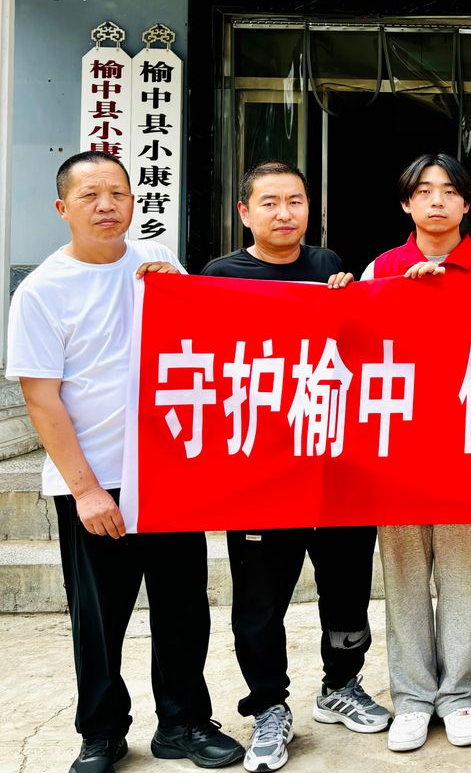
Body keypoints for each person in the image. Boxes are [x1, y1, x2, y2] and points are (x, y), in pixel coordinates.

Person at [6, 152, 245, 773]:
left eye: (117, 193)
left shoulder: (156, 263)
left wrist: (180, 290)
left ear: (135, 202)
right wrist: (86, 491)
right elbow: (41, 398)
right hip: (95, 480)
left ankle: (184, 724)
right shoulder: (41, 291)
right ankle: (102, 732)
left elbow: (203, 346)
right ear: (63, 208)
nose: (106, 205)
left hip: (168, 473)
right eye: (90, 195)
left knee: (182, 608)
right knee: (99, 619)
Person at [202, 161, 389, 772]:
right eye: (270, 202)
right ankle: (268, 707)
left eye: (296, 201)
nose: (285, 213)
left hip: (335, 468)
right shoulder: (219, 277)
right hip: (260, 474)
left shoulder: (328, 265)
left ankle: (341, 684)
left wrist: (353, 300)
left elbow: (359, 352)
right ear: (244, 212)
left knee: (347, 591)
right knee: (260, 603)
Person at [358, 154, 471, 753]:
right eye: (424, 191)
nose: (437, 201)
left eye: (449, 191)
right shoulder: (381, 269)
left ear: (467, 204)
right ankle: (413, 698)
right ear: (407, 204)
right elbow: (355, 349)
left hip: (469, 448)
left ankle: (460, 694)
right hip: (398, 449)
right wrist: (385, 295)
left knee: (463, 576)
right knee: (403, 578)